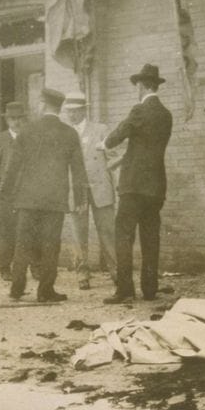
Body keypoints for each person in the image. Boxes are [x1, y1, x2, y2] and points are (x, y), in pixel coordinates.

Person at [2, 88, 88, 302]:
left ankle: (16, 289)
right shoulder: (69, 133)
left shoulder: (28, 130)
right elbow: (78, 169)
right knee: (51, 245)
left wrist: (6, 194)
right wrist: (80, 199)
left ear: (42, 104)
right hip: (54, 199)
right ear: (59, 108)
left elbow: (13, 166)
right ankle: (45, 291)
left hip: (27, 198)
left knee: (23, 244)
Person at [101, 64, 173, 304]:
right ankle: (150, 289)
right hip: (156, 187)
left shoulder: (139, 111)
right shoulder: (166, 115)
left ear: (142, 86)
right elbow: (146, 148)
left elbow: (118, 134)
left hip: (133, 186)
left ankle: (125, 290)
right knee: (151, 237)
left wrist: (104, 144)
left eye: (137, 87)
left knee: (124, 235)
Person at [62, 91, 118, 290]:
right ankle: (82, 274)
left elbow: (114, 157)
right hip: (76, 190)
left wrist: (114, 181)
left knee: (108, 230)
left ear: (84, 110)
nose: (72, 116)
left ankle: (116, 271)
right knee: (79, 233)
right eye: (69, 112)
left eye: (75, 111)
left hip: (100, 188)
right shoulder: (65, 134)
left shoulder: (101, 130)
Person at [0, 101, 28, 282]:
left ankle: (34, 266)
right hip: (5, 194)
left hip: (26, 193)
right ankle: (4, 267)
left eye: (19, 119)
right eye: (12, 119)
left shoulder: (30, 138)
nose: (16, 122)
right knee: (6, 231)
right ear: (7, 120)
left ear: (24, 120)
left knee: (29, 230)